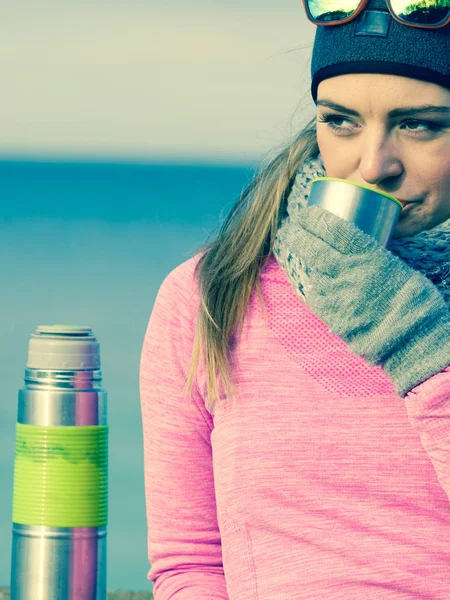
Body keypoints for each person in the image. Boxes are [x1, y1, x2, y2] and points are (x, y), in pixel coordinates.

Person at [140, 0, 450, 596]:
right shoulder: (211, 294)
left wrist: (420, 346)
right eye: (341, 121)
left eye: (420, 125)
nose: (372, 165)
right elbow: (190, 565)